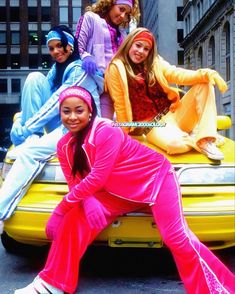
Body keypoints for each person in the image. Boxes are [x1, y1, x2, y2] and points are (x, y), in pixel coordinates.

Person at [14, 86, 235, 294]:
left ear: (90, 112)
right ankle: (52, 283)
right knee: (74, 219)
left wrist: (60, 210)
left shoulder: (107, 130)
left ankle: (218, 288)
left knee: (177, 238)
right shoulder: (63, 145)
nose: (73, 117)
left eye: (79, 110)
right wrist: (86, 203)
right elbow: (75, 181)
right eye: (66, 111)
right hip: (115, 192)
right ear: (60, 114)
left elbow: (96, 177)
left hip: (155, 182)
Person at [0, 25, 103, 233]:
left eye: (60, 46)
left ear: (70, 45)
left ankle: (1, 212)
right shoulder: (56, 71)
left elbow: (57, 102)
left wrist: (25, 128)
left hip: (80, 129)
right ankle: (31, 138)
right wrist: (21, 123)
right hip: (63, 123)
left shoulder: (80, 68)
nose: (56, 51)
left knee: (29, 153)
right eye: (52, 48)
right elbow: (40, 101)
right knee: (34, 78)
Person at [105, 27, 228, 161]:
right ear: (129, 44)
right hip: (152, 126)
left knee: (204, 83)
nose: (141, 51)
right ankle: (196, 138)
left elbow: (176, 74)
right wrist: (124, 140)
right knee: (174, 145)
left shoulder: (154, 62)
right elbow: (120, 105)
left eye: (146, 49)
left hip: (174, 114)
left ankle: (205, 140)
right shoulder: (115, 69)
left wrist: (205, 74)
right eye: (138, 45)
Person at [75, 0, 140, 118]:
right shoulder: (91, 18)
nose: (123, 16)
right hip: (90, 81)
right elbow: (76, 47)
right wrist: (86, 57)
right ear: (110, 4)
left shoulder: (123, 35)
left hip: (110, 89)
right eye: (121, 9)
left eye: (127, 14)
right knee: (85, 122)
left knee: (104, 125)